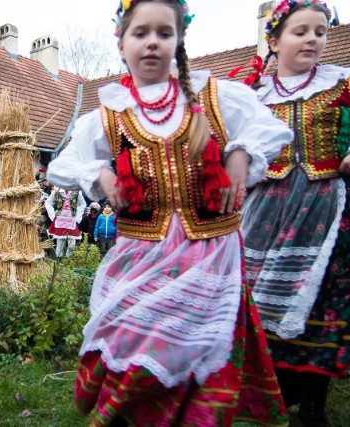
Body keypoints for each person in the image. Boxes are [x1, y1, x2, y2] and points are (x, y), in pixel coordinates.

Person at [46, 0, 295, 425]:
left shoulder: (214, 98)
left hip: (210, 254)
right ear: (121, 43)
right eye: (140, 33)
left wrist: (240, 153)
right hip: (142, 254)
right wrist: (101, 175)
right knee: (139, 346)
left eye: (164, 33)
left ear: (178, 41)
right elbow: (62, 165)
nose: (152, 43)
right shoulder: (109, 114)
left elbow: (269, 127)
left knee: (201, 349)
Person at [238, 1, 350, 425]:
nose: (312, 40)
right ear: (274, 40)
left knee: (319, 306)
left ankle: (316, 406)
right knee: (262, 302)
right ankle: (276, 392)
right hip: (266, 213)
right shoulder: (254, 95)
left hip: (325, 213)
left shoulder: (341, 84)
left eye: (319, 32)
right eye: (300, 31)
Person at [44, 187, 86, 257]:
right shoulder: (57, 191)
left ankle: (68, 261)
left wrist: (78, 216)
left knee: (72, 243)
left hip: (71, 221)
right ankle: (59, 261)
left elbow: (82, 204)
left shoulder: (76, 192)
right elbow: (48, 202)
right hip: (60, 220)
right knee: (60, 243)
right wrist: (53, 215)